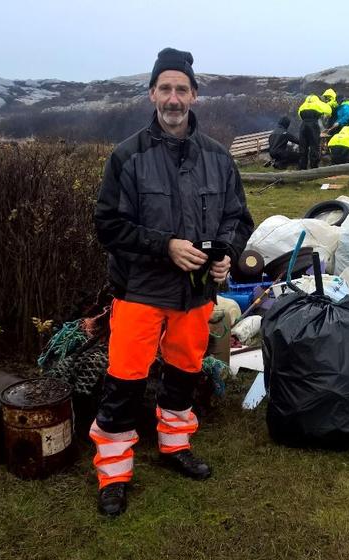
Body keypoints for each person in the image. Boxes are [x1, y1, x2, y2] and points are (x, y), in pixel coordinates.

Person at [92, 47, 255, 517]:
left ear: (195, 96)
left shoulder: (218, 158)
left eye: (181, 88)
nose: (173, 97)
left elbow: (238, 218)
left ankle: (175, 446)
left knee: (183, 377)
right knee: (124, 383)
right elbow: (108, 226)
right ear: (151, 94)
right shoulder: (126, 157)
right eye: (165, 88)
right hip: (140, 291)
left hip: (195, 296)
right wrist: (164, 245)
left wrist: (224, 255)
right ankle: (113, 473)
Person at [297, 94, 331, 170]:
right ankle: (314, 167)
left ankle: (302, 168)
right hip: (313, 125)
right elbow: (328, 110)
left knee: (303, 147)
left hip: (303, 125)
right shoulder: (318, 103)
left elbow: (299, 115)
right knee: (314, 146)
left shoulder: (303, 105)